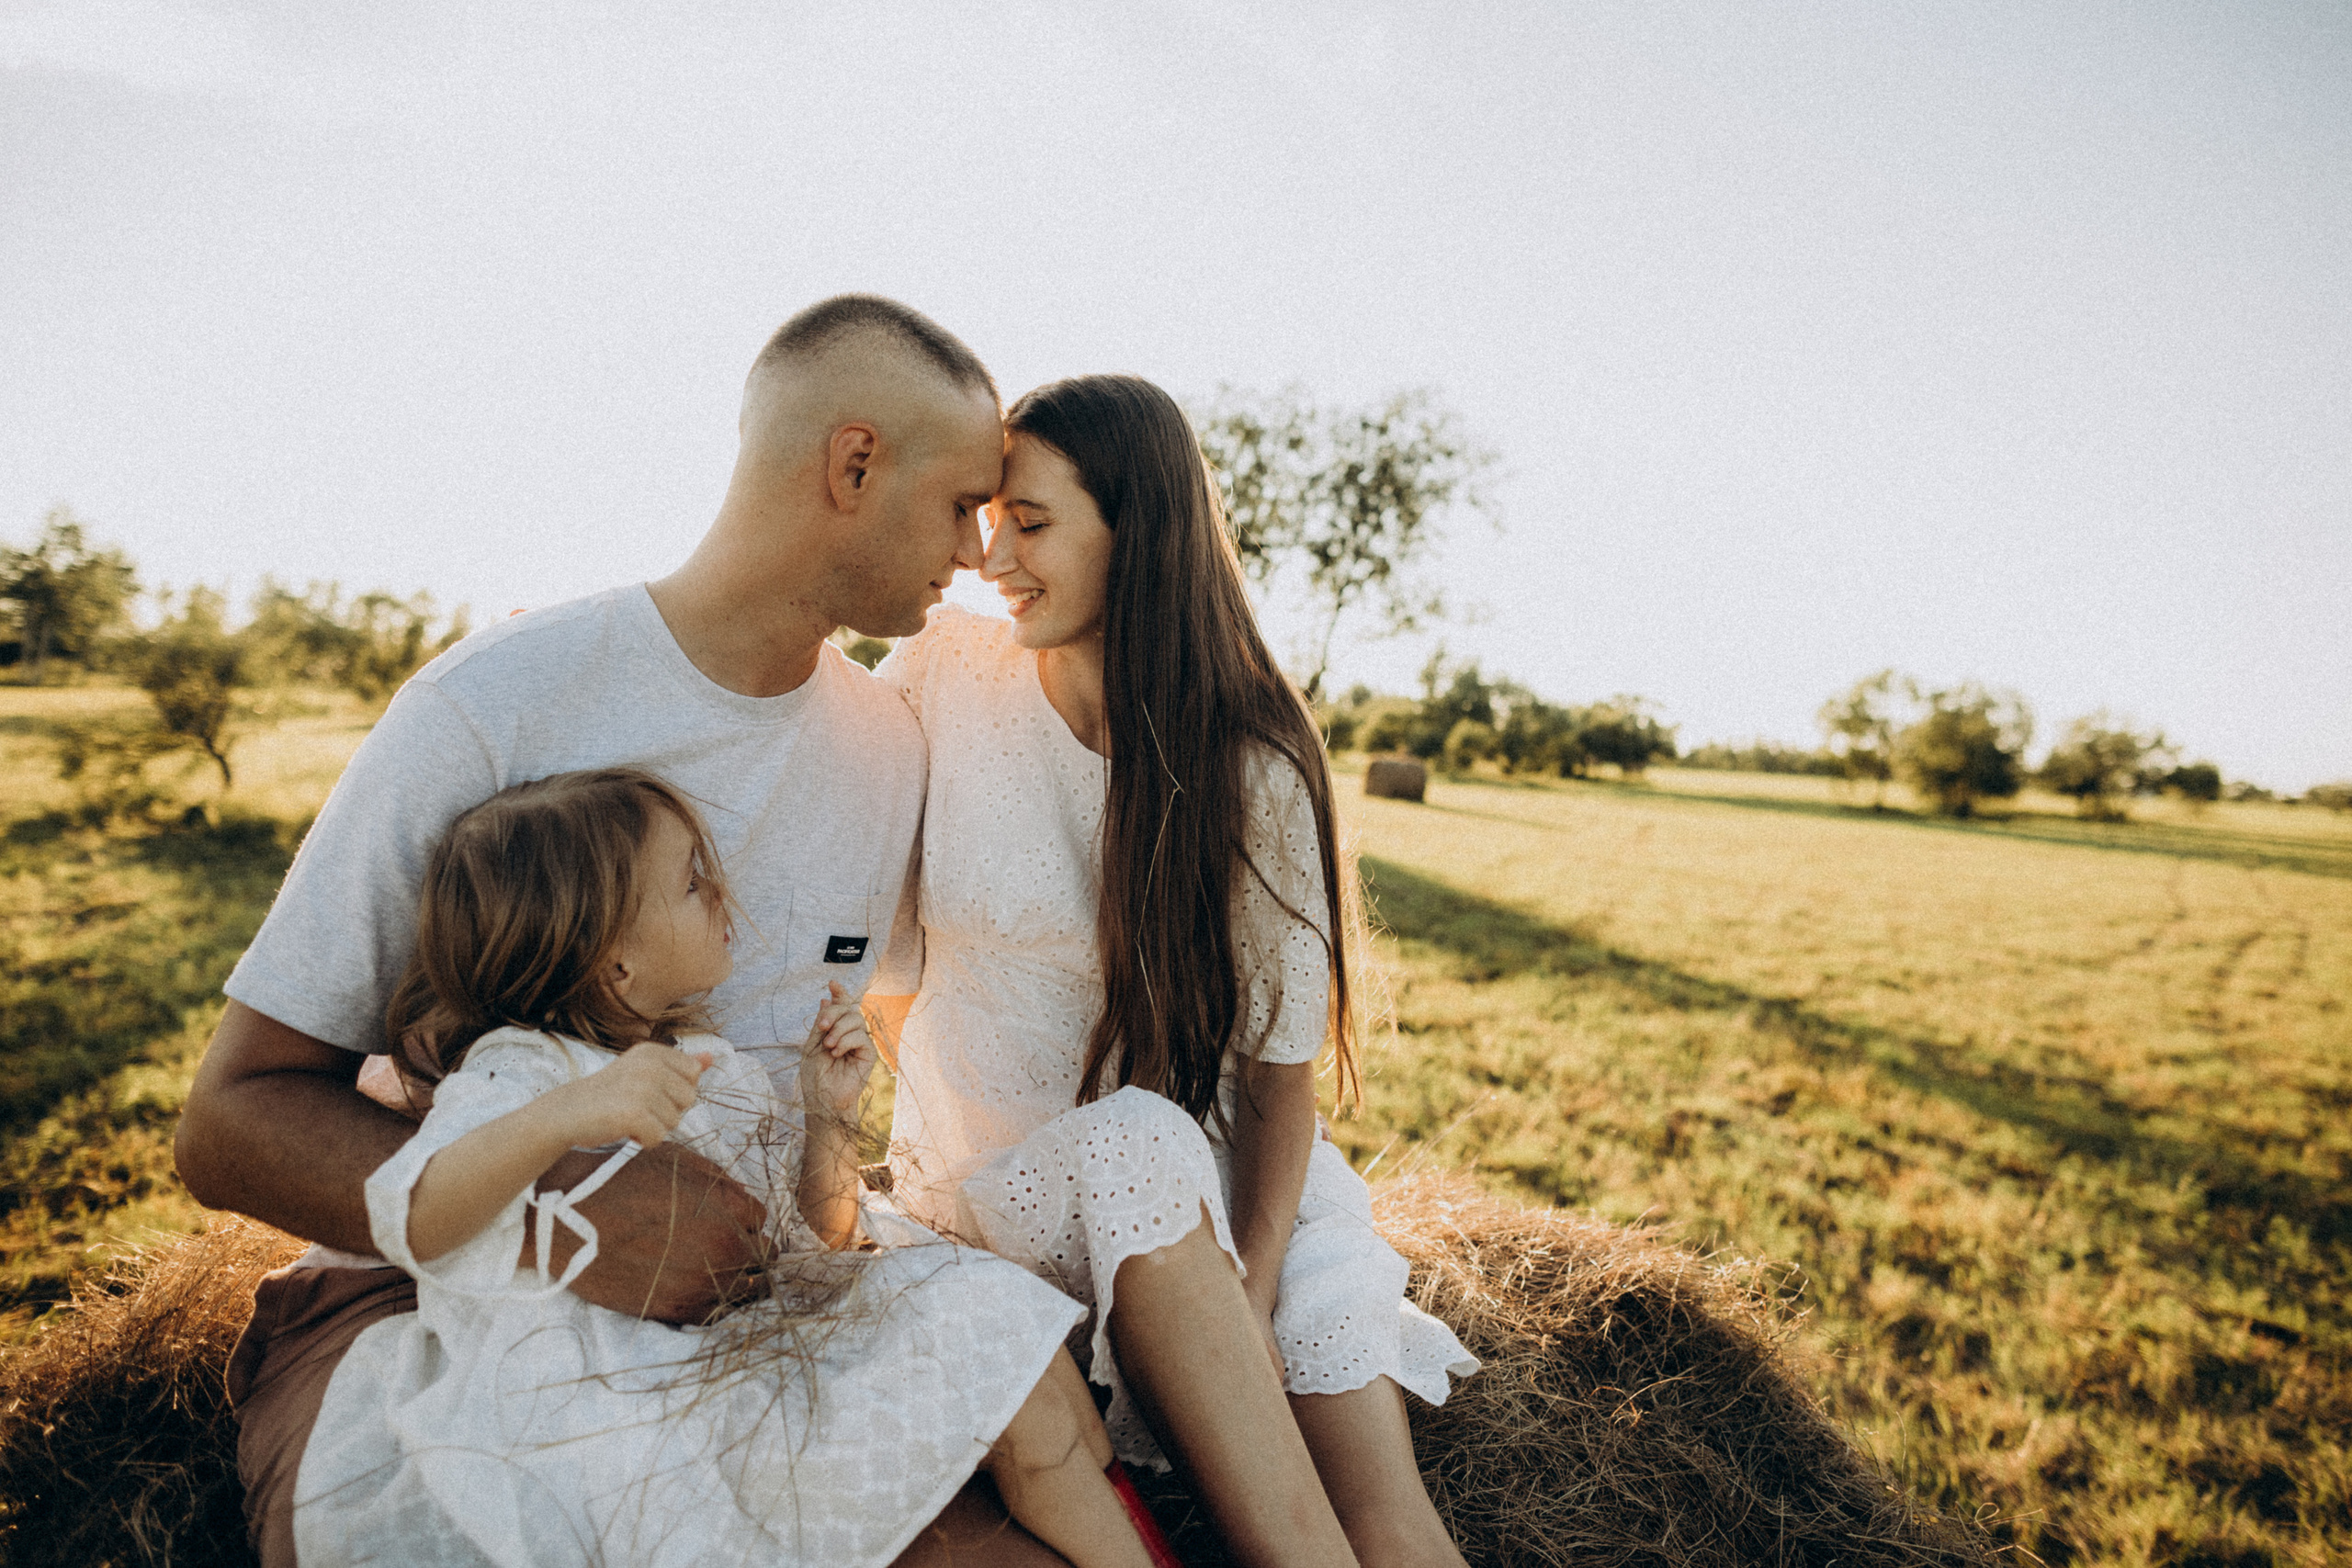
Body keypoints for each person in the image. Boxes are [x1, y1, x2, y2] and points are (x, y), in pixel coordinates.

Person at [181, 296, 1078, 1564]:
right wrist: (569, 1210)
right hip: (449, 1309)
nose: (981, 546)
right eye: (961, 503)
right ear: (854, 464)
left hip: (758, 1311)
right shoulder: (494, 701)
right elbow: (232, 1118)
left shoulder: (889, 751)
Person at [869, 374, 1479, 1568]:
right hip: (1001, 1185)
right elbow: (883, 972)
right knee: (1131, 1140)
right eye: (992, 515)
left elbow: (1277, 1080)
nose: (993, 553)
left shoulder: (1248, 752)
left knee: (1384, 1506)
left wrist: (1246, 1293)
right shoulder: (945, 671)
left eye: (1031, 521)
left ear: (1136, 529)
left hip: (1219, 1196)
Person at [295, 765, 1173, 1567]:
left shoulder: (715, 1069)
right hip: (625, 1408)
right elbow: (419, 1215)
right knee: (1001, 1365)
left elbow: (812, 1245)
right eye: (690, 882)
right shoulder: (524, 1067)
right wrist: (568, 1114)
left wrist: (830, 1116)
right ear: (617, 964)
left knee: (1007, 1340)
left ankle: (1130, 1534)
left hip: (752, 1345)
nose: (722, 892)